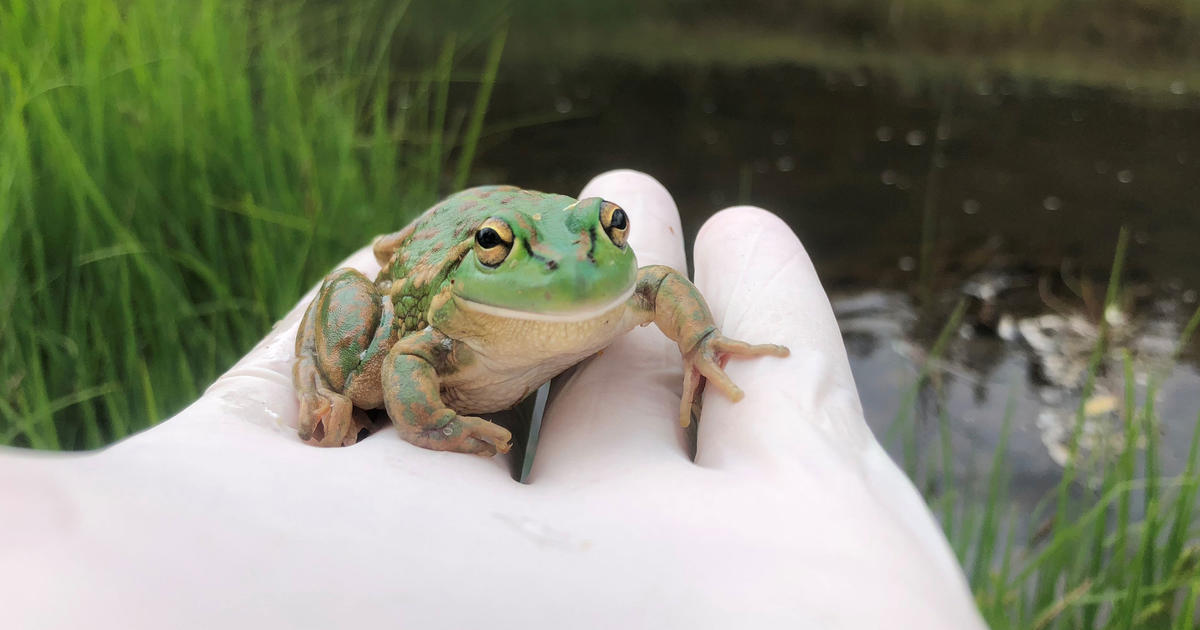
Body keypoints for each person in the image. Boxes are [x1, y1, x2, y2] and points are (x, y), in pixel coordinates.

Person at [0, 170, 986, 628]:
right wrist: (431, 423)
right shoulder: (437, 307)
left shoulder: (611, 269)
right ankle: (336, 368)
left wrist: (702, 342)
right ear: (484, 255)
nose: (583, 265)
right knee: (356, 362)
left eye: (606, 231)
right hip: (425, 278)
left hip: (495, 250)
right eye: (508, 256)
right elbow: (401, 369)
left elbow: (653, 286)